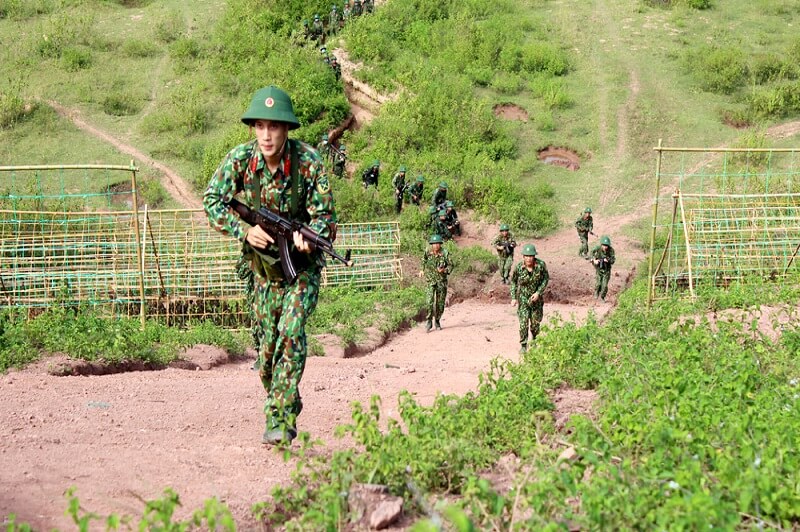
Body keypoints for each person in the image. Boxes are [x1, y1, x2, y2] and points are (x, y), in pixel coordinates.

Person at [203, 85, 337, 446]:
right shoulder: (241, 159)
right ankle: (285, 395)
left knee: (291, 332)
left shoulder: (309, 163)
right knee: (266, 353)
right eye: (260, 126)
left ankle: (279, 420)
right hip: (262, 272)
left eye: (273, 127)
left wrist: (309, 238)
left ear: (286, 129)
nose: (266, 135)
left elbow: (327, 219)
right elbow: (212, 199)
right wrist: (244, 230)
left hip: (300, 271)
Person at [511, 244, 549, 353]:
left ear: (534, 256)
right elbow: (513, 282)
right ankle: (523, 345)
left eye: (531, 256)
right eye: (526, 256)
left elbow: (545, 279)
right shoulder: (518, 267)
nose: (528, 258)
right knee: (523, 323)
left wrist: (538, 292)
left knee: (535, 324)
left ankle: (535, 342)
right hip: (523, 299)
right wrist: (513, 297)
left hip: (536, 300)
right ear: (523, 257)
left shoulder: (541, 265)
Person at [421, 234, 452, 332]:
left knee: (440, 303)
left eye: (437, 243)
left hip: (441, 282)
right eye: (434, 244)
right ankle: (429, 321)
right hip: (430, 280)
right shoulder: (427, 251)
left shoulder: (445, 253)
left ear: (440, 244)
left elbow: (451, 266)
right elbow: (423, 260)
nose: (436, 246)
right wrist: (422, 270)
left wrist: (444, 271)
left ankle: (437, 320)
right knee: (429, 302)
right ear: (431, 244)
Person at [591, 235, 616, 301]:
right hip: (599, 269)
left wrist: (608, 260)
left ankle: (602, 297)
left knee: (604, 286)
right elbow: (591, 253)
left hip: (606, 270)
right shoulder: (597, 248)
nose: (605, 247)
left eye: (607, 245)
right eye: (604, 245)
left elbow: (613, 260)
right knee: (598, 283)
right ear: (601, 244)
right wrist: (594, 260)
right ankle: (596, 292)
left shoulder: (611, 250)